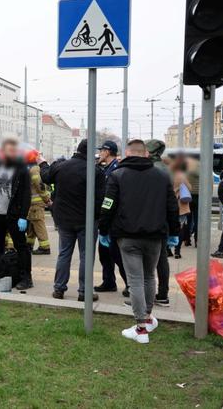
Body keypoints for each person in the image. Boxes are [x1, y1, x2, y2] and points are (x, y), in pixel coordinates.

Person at [98, 139, 179, 344]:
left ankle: (141, 328)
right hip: (155, 235)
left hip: (127, 236)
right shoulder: (161, 175)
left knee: (135, 280)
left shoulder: (117, 175)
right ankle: (148, 317)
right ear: (145, 154)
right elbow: (172, 206)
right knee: (149, 277)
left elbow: (108, 205)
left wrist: (104, 230)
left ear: (126, 153)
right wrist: (174, 233)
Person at [40, 139, 104, 301]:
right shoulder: (95, 171)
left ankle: (59, 289)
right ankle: (84, 292)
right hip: (86, 220)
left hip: (64, 219)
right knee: (86, 256)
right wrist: (98, 219)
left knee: (64, 253)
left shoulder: (62, 166)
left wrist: (43, 164)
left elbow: (46, 177)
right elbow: (99, 199)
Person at [0, 137, 33, 290]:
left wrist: (23, 216)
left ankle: (26, 277)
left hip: (14, 216)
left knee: (21, 246)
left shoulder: (22, 170)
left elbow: (26, 195)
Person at [93, 140, 128, 296]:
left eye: (101, 151)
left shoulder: (116, 168)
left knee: (118, 256)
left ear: (107, 152)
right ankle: (109, 282)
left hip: (114, 220)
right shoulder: (105, 168)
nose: (100, 153)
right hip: (105, 219)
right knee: (104, 254)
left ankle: (129, 284)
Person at [146, 139, 172, 307]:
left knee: (151, 259)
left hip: (151, 219)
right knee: (161, 258)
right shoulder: (164, 169)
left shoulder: (152, 169)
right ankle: (162, 293)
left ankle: (150, 296)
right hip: (162, 219)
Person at [25, 149, 51, 255]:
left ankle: (45, 247)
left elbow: (39, 185)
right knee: (32, 225)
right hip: (33, 203)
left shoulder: (33, 169)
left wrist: (46, 199)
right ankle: (29, 245)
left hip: (36, 203)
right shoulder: (34, 168)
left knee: (38, 224)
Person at [170, 154, 192, 260]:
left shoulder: (166, 175)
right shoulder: (181, 175)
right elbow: (189, 188)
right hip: (180, 207)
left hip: (169, 205)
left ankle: (167, 249)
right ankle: (177, 251)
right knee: (180, 228)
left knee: (168, 227)